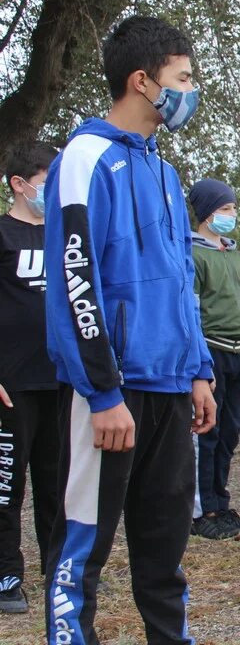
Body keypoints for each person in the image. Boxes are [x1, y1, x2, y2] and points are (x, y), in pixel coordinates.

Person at [42, 15, 217, 644]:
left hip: (171, 389)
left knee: (164, 553)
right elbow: (74, 283)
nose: (192, 91)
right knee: (82, 549)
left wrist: (198, 370)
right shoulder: (84, 158)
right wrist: (103, 392)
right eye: (185, 78)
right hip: (109, 397)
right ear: (142, 81)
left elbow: (179, 283)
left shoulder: (167, 175)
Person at [0, 140, 60, 614]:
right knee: (8, 484)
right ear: (20, 185)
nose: (54, 190)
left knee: (57, 484)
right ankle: (6, 575)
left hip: (60, 380)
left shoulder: (64, 236)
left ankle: (60, 570)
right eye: (46, 182)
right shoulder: (2, 235)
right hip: (12, 385)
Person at [188, 179, 240, 540]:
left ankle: (221, 502)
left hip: (238, 354)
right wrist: (198, 364)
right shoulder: (193, 255)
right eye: (226, 209)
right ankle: (201, 512)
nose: (232, 215)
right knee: (207, 432)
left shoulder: (237, 257)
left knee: (229, 434)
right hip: (210, 351)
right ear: (207, 212)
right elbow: (190, 310)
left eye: (233, 208)